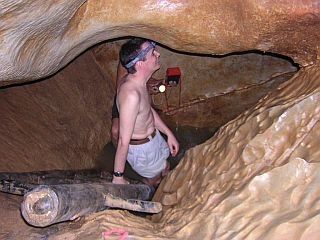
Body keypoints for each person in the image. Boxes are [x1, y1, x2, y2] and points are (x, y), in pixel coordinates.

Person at [112, 38, 179, 186]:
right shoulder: (131, 96)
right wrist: (118, 176)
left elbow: (148, 111)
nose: (158, 54)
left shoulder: (140, 82)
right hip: (144, 152)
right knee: (153, 180)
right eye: (152, 54)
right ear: (140, 63)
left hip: (154, 138)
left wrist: (168, 134)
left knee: (166, 166)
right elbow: (123, 141)